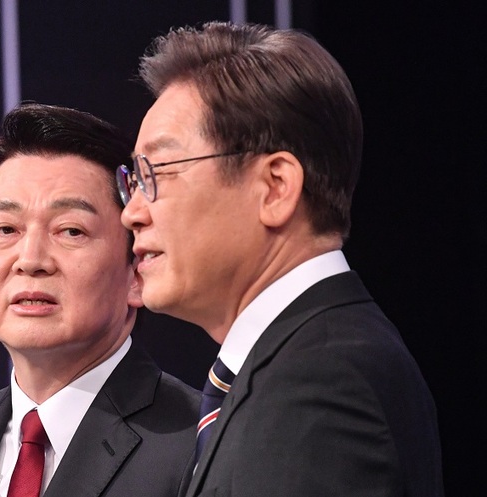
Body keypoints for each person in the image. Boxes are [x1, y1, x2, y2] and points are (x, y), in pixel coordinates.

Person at [117, 22, 444, 497]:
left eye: (159, 172)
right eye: (134, 178)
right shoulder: (298, 363)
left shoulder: (320, 385)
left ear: (275, 188)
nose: (131, 213)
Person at [0, 103, 200, 497]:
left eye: (71, 231)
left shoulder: (199, 443)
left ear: (136, 272)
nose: (31, 260)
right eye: (6, 229)